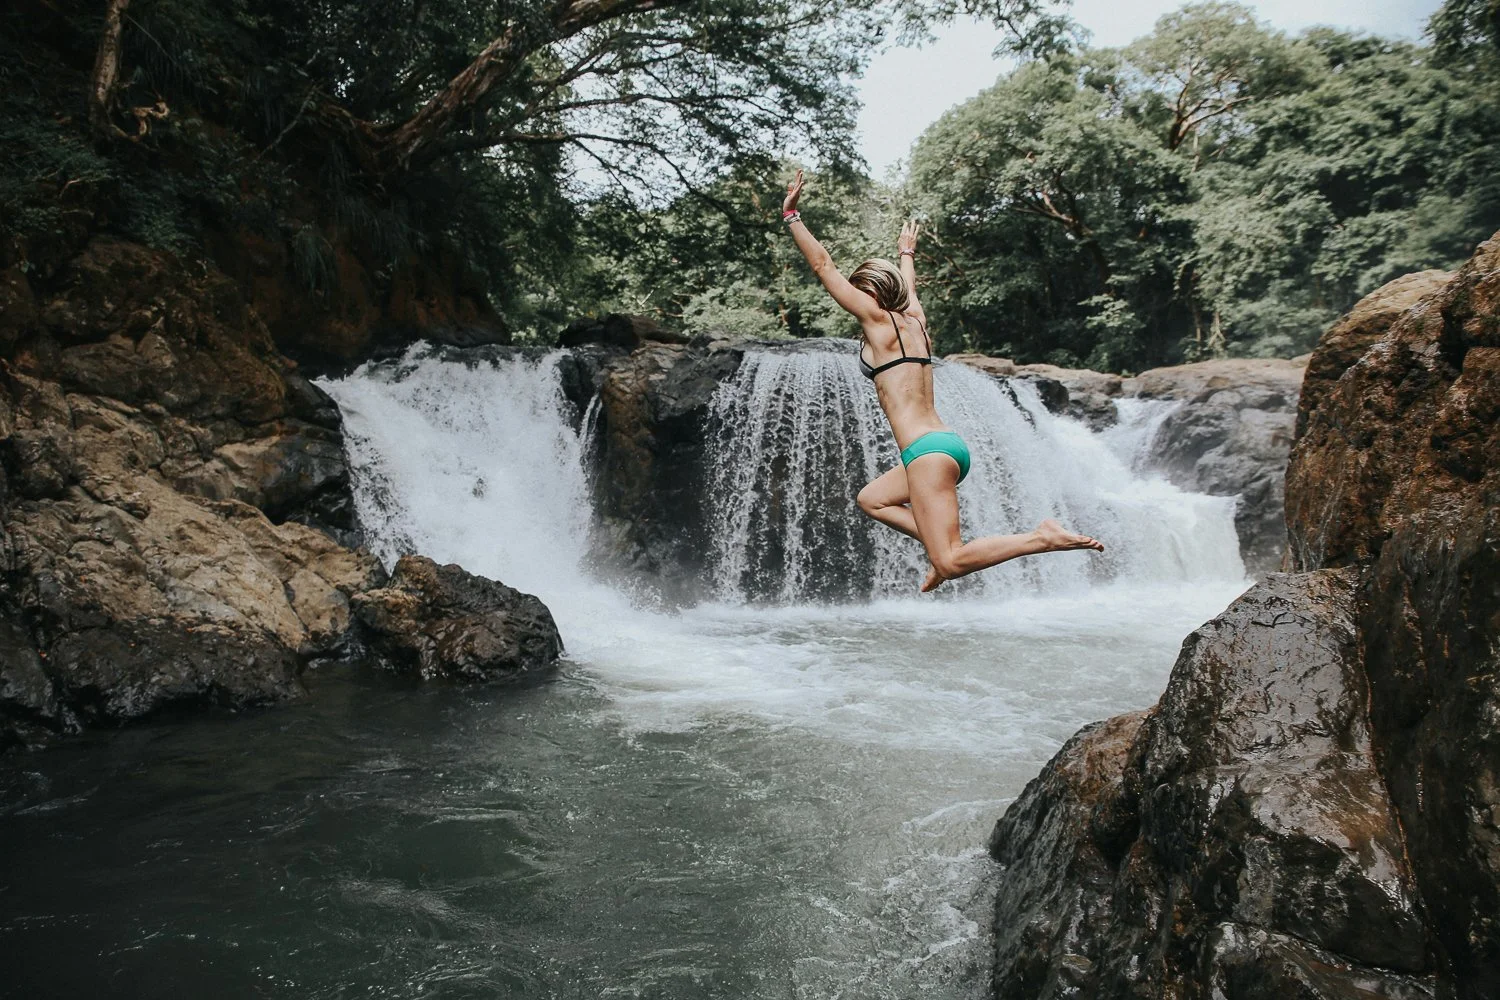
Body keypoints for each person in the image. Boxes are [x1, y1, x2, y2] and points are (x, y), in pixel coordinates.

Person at [781, 168, 1104, 592]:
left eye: (859, 294)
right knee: (871, 499)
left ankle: (1039, 538)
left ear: (869, 296)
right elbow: (910, 292)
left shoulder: (877, 324)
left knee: (952, 562)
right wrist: (906, 254)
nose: (854, 302)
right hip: (945, 446)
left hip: (926, 454)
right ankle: (935, 546)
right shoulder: (915, 322)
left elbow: (824, 265)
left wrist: (792, 217)